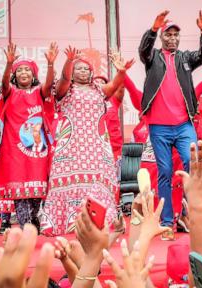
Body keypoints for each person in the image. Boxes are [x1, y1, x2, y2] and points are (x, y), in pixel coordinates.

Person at [39, 46, 134, 236]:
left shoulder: (99, 90)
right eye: (78, 69)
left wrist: (121, 71)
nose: (83, 72)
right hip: (71, 145)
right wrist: (69, 61)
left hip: (96, 145)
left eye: (86, 69)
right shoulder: (65, 89)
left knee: (98, 183)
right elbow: (64, 79)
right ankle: (66, 222)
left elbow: (115, 85)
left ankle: (102, 220)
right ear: (73, 74)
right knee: (69, 181)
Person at [138, 10, 202, 239]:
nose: (172, 38)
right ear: (162, 37)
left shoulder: (185, 58)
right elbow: (143, 51)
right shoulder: (153, 58)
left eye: (175, 35)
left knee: (192, 162)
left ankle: (193, 214)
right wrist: (152, 29)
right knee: (165, 172)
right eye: (167, 34)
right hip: (159, 127)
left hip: (183, 125)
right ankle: (167, 222)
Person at [0, 42, 58, 232]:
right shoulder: (10, 92)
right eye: (20, 70)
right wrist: (9, 64)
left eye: (28, 70)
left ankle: (33, 219)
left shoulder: (39, 92)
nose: (24, 73)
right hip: (13, 150)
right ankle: (26, 226)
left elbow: (49, 84)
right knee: (19, 190)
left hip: (37, 150)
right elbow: (3, 85)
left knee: (36, 192)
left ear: (34, 74)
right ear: (14, 75)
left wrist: (51, 64)